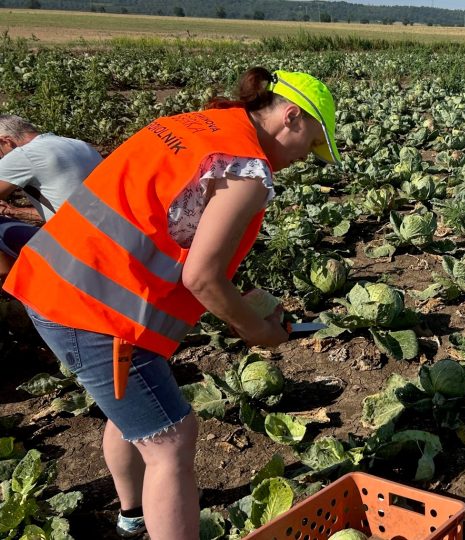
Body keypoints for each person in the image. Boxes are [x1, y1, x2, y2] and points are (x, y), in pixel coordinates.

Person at [3, 67, 341, 540]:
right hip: (95, 310)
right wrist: (256, 329)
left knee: (132, 419)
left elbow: (169, 225)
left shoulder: (194, 125)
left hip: (57, 280)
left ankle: (133, 518)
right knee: (172, 441)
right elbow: (201, 276)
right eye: (308, 148)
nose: (301, 159)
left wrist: (238, 300)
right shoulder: (246, 167)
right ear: (292, 118)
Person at [0, 115, 103, 280]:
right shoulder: (80, 145)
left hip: (74, 254)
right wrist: (14, 211)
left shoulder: (24, 154)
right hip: (106, 243)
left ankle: (20, 289)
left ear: (6, 142)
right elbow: (66, 209)